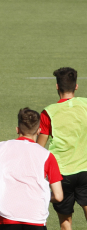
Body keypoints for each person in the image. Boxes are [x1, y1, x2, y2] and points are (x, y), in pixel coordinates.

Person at [0, 108, 63, 229]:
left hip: (8, 218)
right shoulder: (47, 156)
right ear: (38, 131)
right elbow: (58, 196)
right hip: (36, 218)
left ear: (17, 130)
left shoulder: (0, 148)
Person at [37, 67, 87, 230]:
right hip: (85, 170)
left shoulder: (48, 112)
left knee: (66, 222)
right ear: (76, 86)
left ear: (57, 86)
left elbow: (39, 148)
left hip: (60, 174)